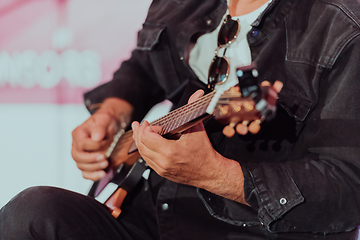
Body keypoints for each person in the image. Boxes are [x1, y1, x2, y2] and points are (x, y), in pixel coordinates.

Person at [1, 0, 360, 239]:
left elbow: (348, 187)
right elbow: (143, 67)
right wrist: (113, 113)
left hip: (250, 229)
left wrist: (219, 175)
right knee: (32, 214)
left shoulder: (342, 26)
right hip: (150, 211)